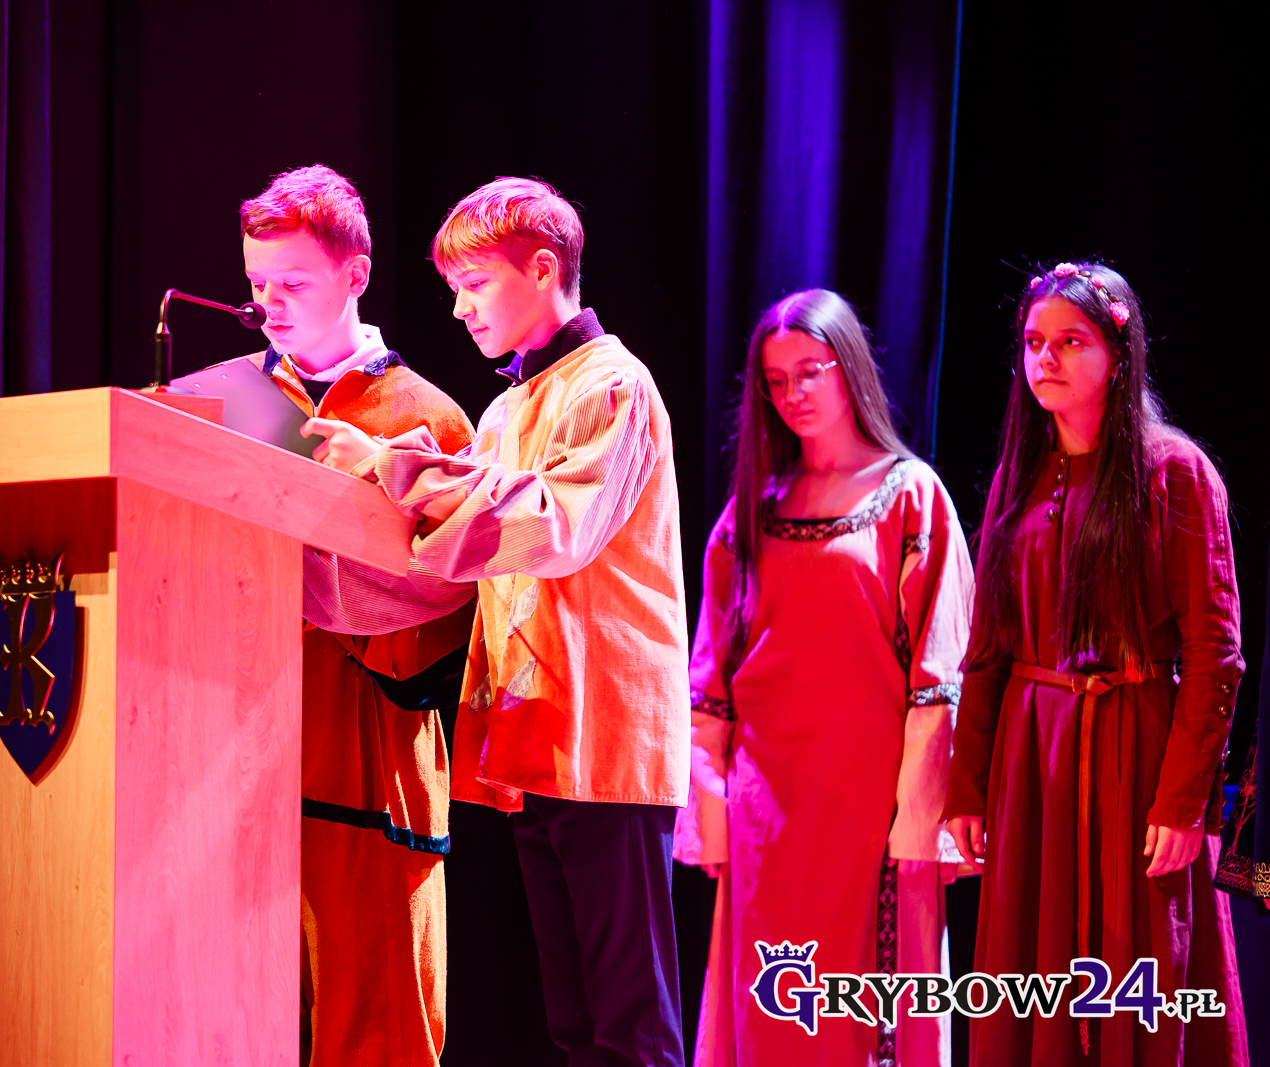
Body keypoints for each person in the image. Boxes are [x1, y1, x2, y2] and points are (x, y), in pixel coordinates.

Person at [305, 176, 690, 1066]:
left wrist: (396, 465)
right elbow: (448, 550)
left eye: (476, 285)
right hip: (539, 739)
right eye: (455, 289)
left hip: (608, 743)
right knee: (575, 1023)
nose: (459, 308)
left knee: (631, 1025)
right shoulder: (508, 407)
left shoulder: (614, 384)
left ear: (544, 269)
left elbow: (546, 524)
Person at [170, 164, 477, 1067]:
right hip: (224, 756)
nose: (267, 305)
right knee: (221, 1026)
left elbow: (457, 602)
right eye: (257, 283)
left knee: (377, 1027)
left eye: (292, 284)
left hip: (364, 754)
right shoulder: (210, 402)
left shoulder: (428, 421)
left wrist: (319, 584)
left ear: (356, 274)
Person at [943, 262, 1249, 1065]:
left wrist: (1183, 802)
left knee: (1138, 959)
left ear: (1118, 353)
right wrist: (967, 787)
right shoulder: (1020, 474)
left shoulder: (1175, 473)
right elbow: (988, 648)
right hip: (1033, 761)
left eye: (1070, 341)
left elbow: (1216, 652)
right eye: (1033, 341)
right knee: (1031, 965)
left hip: (1135, 752)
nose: (1045, 357)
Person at [671, 289, 973, 1067]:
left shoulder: (909, 497)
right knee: (772, 1005)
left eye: (811, 371)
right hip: (767, 809)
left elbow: (940, 671)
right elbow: (709, 683)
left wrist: (920, 814)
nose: (794, 393)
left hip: (871, 805)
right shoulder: (750, 515)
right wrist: (709, 812)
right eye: (776, 380)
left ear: (851, 370)